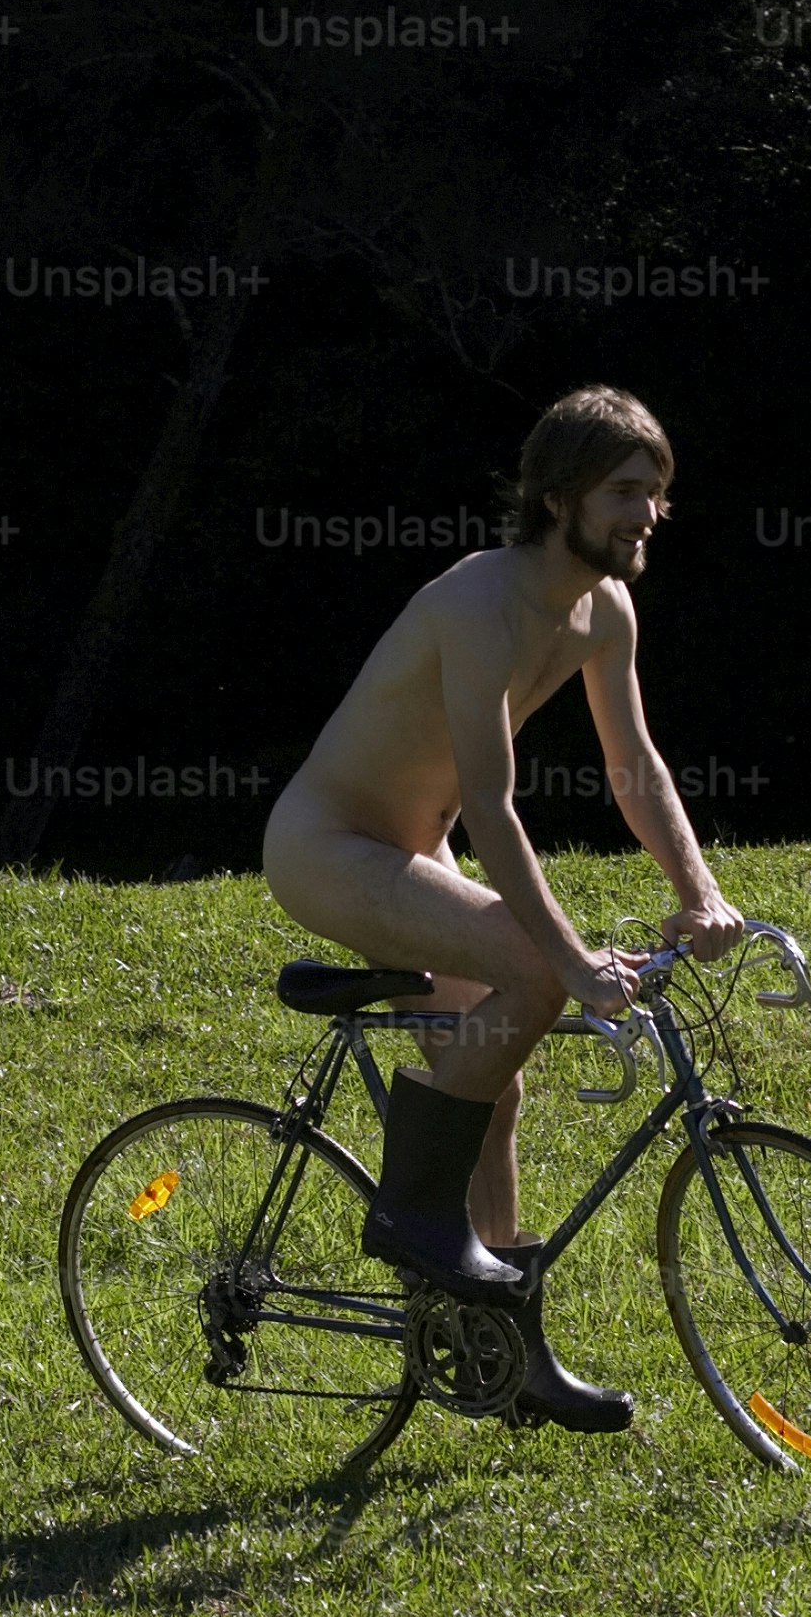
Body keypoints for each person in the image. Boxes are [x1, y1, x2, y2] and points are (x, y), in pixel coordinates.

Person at [260, 383, 745, 1432]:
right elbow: (491, 805)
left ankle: (500, 1352)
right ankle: (416, 1214)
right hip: (330, 845)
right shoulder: (478, 602)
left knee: (498, 1084)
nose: (646, 514)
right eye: (624, 491)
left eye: (655, 494)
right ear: (558, 493)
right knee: (528, 975)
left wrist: (698, 892)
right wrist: (568, 960)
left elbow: (636, 768)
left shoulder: (602, 609)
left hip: (410, 847)